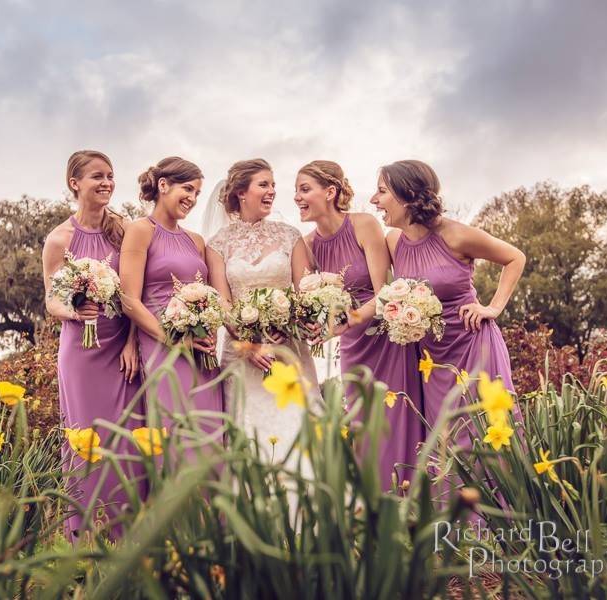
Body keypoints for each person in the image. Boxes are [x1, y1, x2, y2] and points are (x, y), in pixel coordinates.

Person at [373, 159, 525, 442]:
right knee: (447, 442)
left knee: (489, 433)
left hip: (473, 347)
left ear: (405, 195)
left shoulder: (455, 235)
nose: (374, 199)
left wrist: (493, 307)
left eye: (381, 192)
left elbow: (515, 257)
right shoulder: (394, 241)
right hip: (433, 360)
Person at [298, 160, 422, 489]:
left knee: (397, 418)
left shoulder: (364, 225)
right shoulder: (308, 245)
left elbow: (383, 293)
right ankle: (373, 504)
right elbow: (318, 300)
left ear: (331, 191)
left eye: (304, 189)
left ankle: (410, 495)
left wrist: (343, 322)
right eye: (296, 190)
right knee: (362, 424)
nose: (297, 197)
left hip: (387, 339)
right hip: (353, 344)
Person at [41, 150, 144, 538]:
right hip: (79, 355)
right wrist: (73, 309)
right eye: (97, 176)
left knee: (128, 437)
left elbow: (138, 290)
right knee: (84, 440)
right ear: (75, 183)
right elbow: (51, 298)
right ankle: (83, 537)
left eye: (110, 176)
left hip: (121, 347)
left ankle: (130, 532)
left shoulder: (124, 230)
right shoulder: (58, 239)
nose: (106, 183)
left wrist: (133, 342)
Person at [206, 159, 320, 463]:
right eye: (264, 184)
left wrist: (294, 322)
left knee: (296, 432)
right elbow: (223, 302)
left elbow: (305, 291)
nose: (272, 191)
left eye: (272, 185)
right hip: (242, 356)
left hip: (289, 351)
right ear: (242, 192)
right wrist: (248, 345)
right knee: (251, 437)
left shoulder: (289, 235)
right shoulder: (218, 244)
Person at [120, 156, 224, 438]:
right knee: (174, 430)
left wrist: (207, 330)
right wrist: (176, 341)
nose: (192, 198)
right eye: (187, 189)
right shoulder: (141, 230)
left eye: (197, 193)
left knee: (207, 429)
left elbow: (210, 294)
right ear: (163, 185)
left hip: (202, 348)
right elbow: (129, 299)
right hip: (161, 347)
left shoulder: (196, 241)